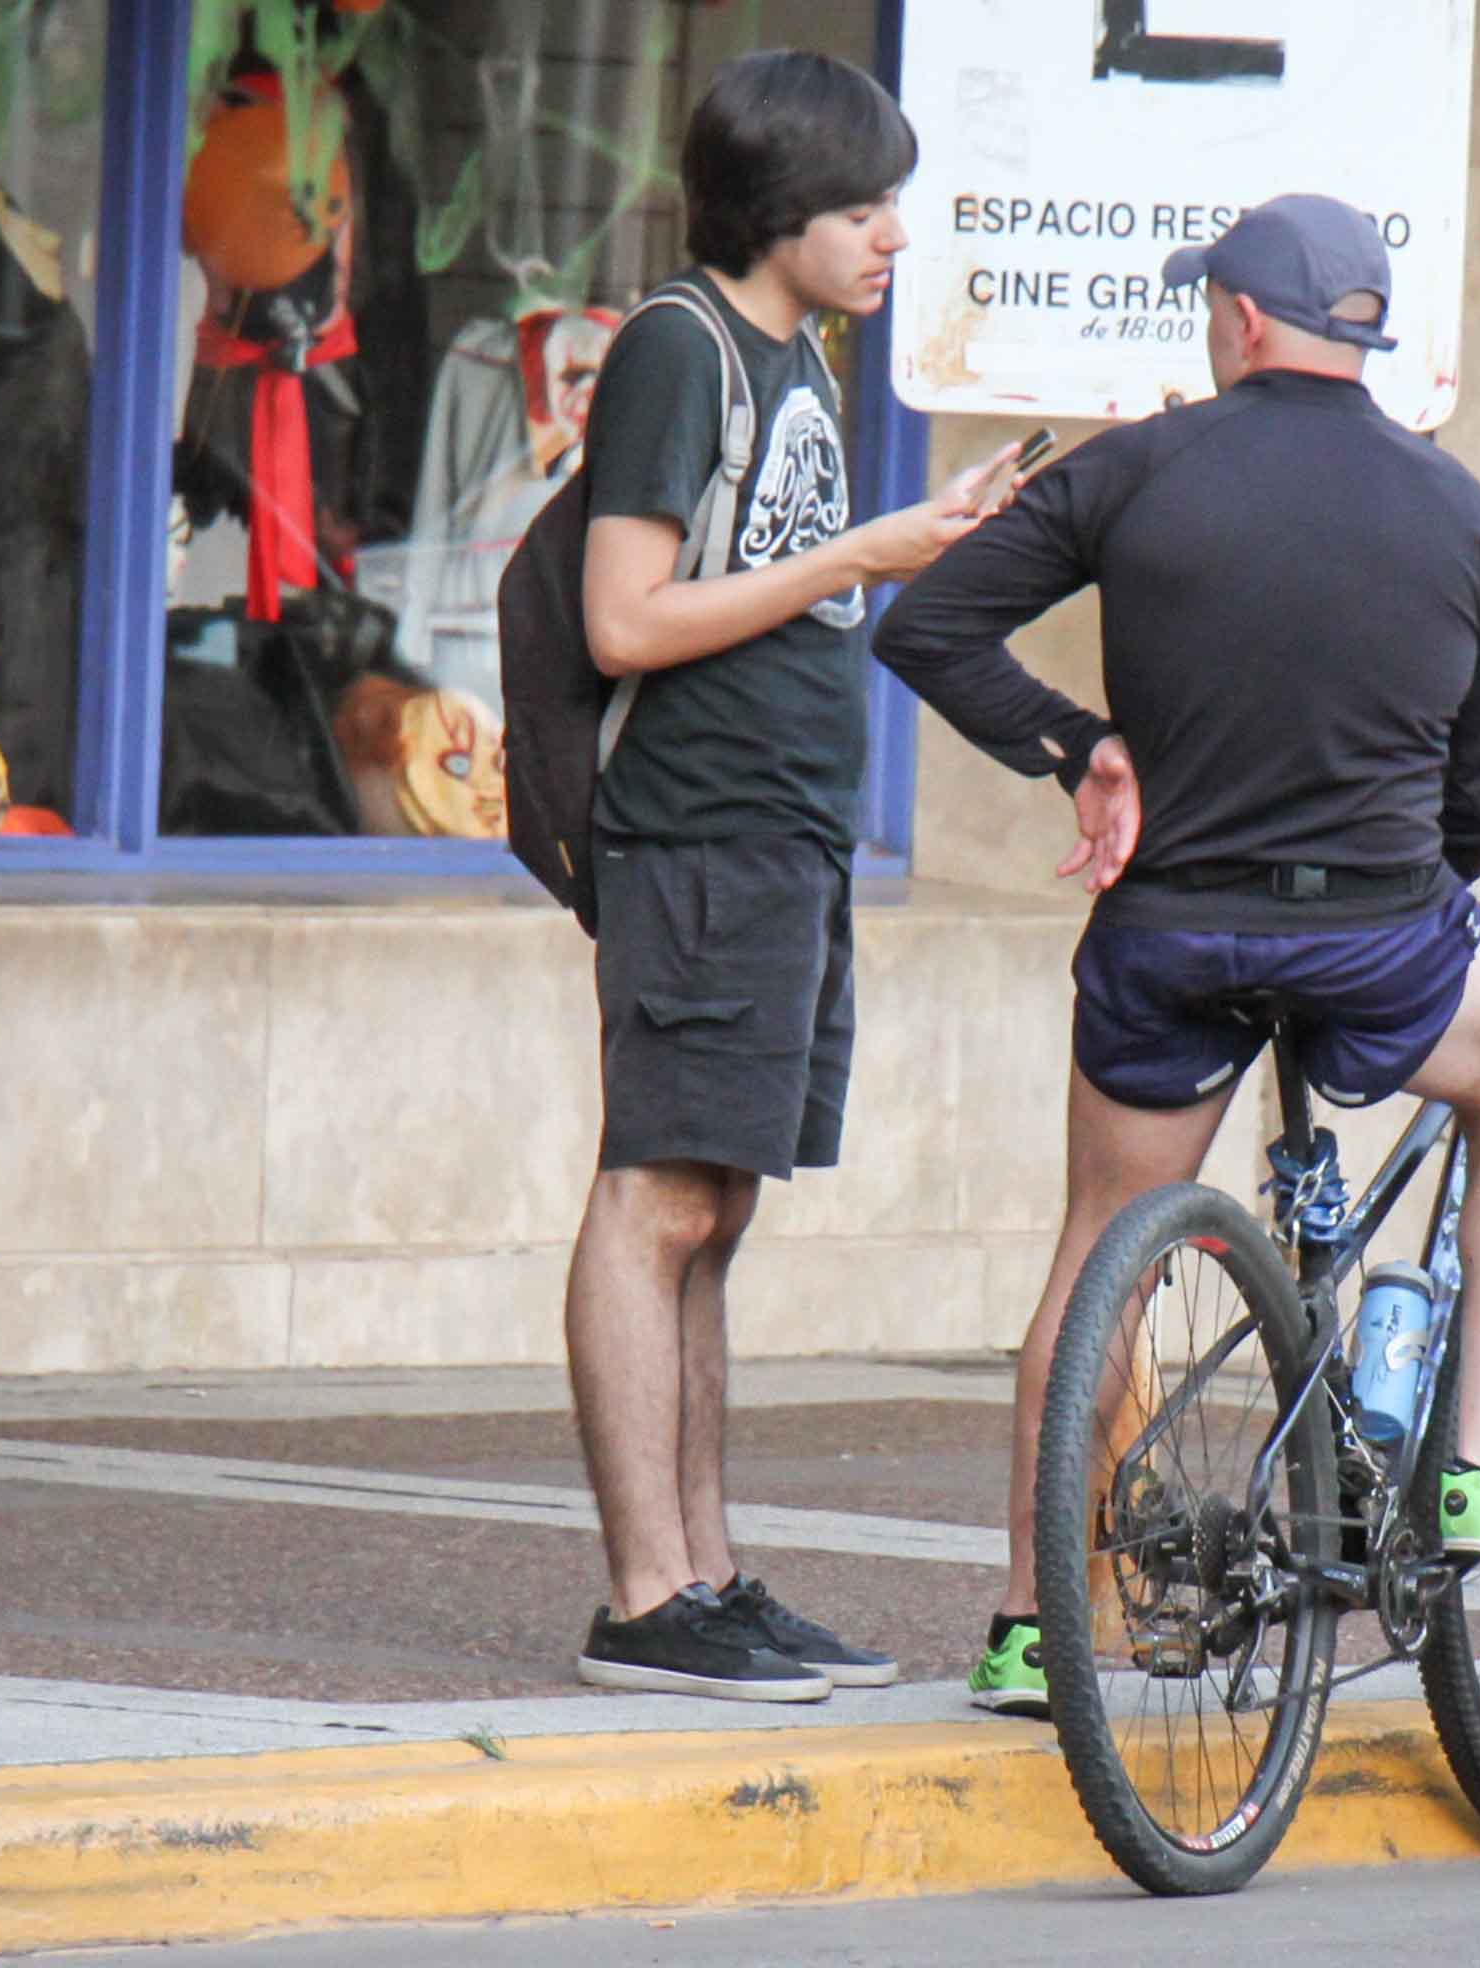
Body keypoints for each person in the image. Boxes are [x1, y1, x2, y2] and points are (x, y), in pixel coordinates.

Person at [871, 194, 1480, 1719]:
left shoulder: (1138, 468)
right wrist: (1395, 893)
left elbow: (927, 628)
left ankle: (1032, 1623)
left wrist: (1078, 745)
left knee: (1101, 1246)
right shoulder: (1462, 510)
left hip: (1163, 932)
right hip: (1375, 935)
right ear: (1362, 333)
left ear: (1234, 320)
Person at [548, 49, 1018, 1702]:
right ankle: (643, 1596)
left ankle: (710, 1577)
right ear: (775, 214)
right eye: (860, 206)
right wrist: (860, 554)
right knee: (652, 1195)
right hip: (697, 832)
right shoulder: (681, 350)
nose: (893, 234)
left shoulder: (798, 357)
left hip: (782, 839)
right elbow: (626, 617)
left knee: (715, 1208)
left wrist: (908, 537)